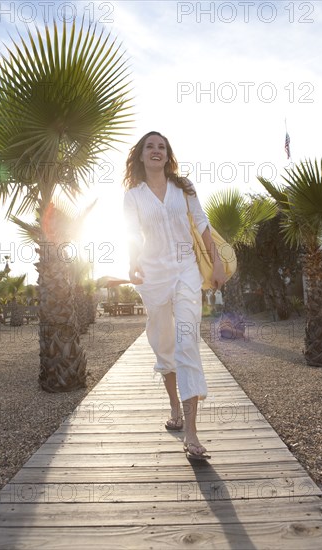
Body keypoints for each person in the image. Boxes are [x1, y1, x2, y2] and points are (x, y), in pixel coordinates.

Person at [123, 131, 226, 460]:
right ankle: (174, 408)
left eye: (161, 147)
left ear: (168, 156)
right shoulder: (133, 195)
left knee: (186, 342)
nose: (156, 151)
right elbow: (131, 234)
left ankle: (192, 434)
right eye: (149, 147)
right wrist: (132, 263)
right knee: (163, 343)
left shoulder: (185, 188)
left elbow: (202, 223)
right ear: (140, 156)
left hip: (185, 270)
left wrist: (218, 260)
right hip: (153, 277)